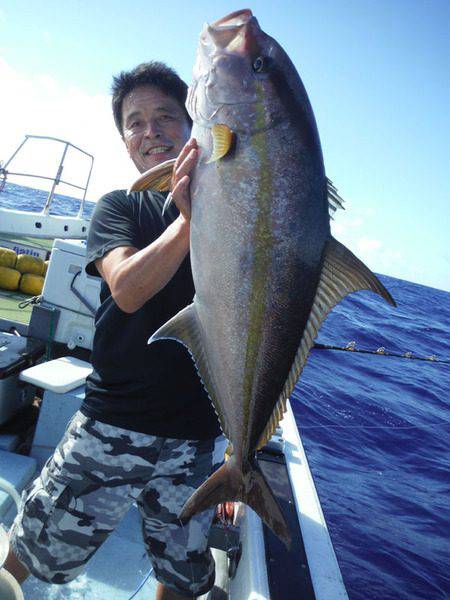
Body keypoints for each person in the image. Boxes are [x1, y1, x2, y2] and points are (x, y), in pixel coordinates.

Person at [5, 62, 224, 600]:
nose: (152, 131)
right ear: (125, 141)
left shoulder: (232, 211)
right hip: (111, 426)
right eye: (136, 122)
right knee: (29, 552)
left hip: (195, 440)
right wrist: (190, 220)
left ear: (193, 124)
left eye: (166, 117)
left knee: (182, 575)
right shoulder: (120, 207)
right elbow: (127, 288)